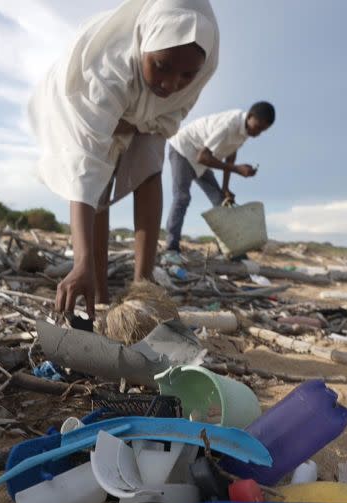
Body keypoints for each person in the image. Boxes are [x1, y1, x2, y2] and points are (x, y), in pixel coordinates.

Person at [29, 0, 219, 318]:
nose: (172, 84)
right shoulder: (103, 73)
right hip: (79, 106)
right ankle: (97, 289)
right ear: (145, 43)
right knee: (97, 188)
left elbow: (171, 115)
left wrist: (136, 122)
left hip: (146, 116)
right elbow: (86, 168)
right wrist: (81, 262)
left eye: (186, 75)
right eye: (162, 66)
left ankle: (141, 290)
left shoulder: (198, 71)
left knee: (150, 165)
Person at [163, 101, 274, 260]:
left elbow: (231, 155)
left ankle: (231, 251)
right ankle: (171, 248)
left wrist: (225, 187)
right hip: (184, 150)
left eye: (263, 130)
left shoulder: (245, 131)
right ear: (250, 116)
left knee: (221, 200)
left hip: (201, 160)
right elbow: (204, 157)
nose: (258, 133)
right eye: (258, 127)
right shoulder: (228, 125)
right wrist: (237, 169)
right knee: (182, 197)